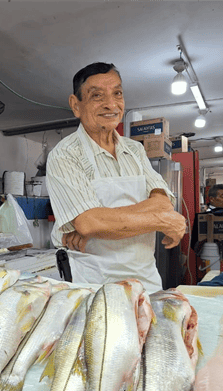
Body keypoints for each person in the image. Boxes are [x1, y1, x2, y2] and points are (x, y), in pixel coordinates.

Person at [46, 62, 186, 293]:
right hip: (95, 283)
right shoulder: (65, 155)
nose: (111, 104)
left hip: (145, 279)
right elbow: (90, 222)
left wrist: (100, 222)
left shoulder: (135, 150)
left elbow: (163, 201)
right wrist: (159, 220)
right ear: (76, 105)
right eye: (97, 96)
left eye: (117, 94)